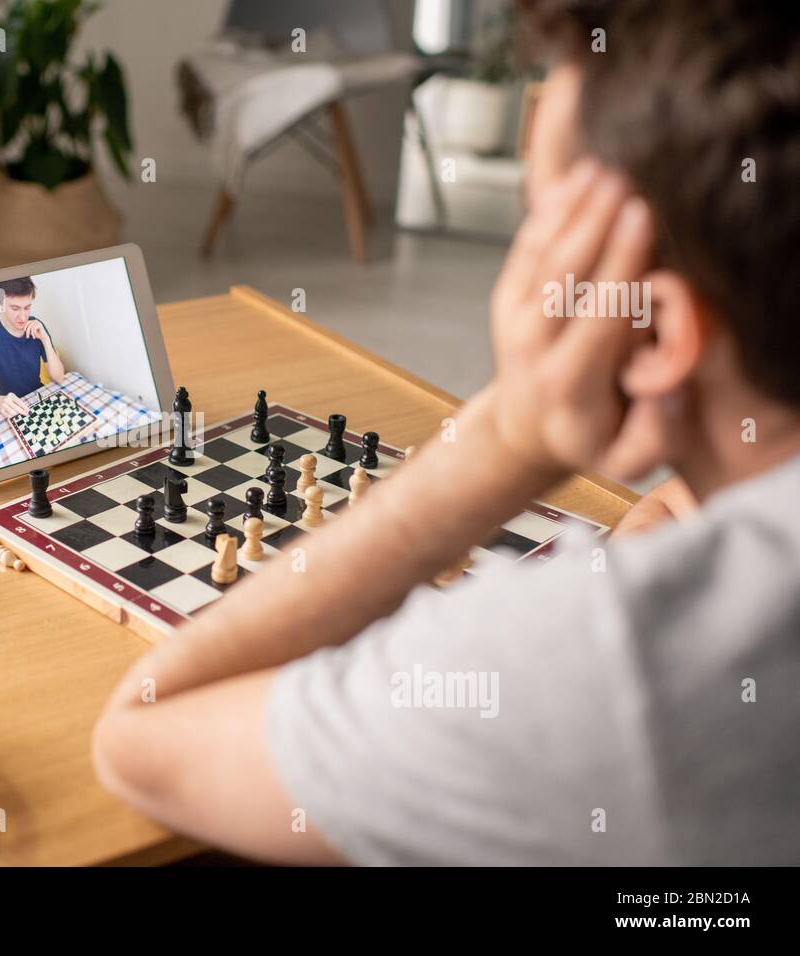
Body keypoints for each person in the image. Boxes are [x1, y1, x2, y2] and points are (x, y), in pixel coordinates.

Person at [92, 0, 800, 865]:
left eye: (544, 236)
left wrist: (511, 431)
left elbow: (142, 738)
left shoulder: (608, 675)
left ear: (652, 329)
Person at [0, 277, 65, 419]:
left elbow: (59, 378)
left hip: (35, 400)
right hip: (4, 407)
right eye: (15, 308)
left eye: (27, 307)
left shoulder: (36, 326)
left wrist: (45, 340)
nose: (23, 317)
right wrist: (1, 402)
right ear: (0, 303)